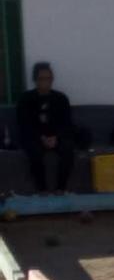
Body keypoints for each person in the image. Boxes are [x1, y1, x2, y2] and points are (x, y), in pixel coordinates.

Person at [15, 62, 76, 195]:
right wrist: (41, 138)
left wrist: (56, 137)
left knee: (68, 149)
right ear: (35, 80)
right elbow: (24, 124)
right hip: (35, 137)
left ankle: (61, 188)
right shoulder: (26, 99)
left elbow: (67, 123)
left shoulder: (60, 98)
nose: (46, 82)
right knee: (34, 152)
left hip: (56, 136)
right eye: (42, 79)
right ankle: (42, 189)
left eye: (49, 79)